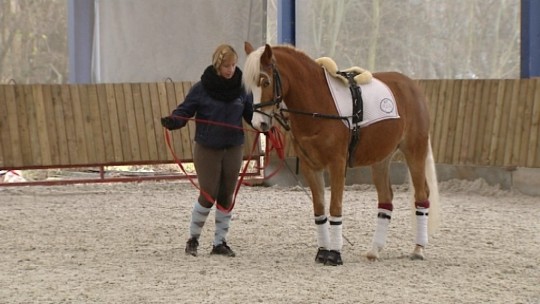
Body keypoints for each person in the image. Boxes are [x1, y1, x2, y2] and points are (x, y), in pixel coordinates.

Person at [161, 44, 253, 257]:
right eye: (226, 66)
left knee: (226, 195)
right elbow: (185, 111)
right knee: (208, 193)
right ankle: (193, 239)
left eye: (233, 65)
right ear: (217, 65)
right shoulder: (201, 88)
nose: (230, 69)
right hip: (207, 147)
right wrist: (174, 121)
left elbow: (250, 114)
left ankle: (219, 242)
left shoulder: (242, 87)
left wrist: (264, 127)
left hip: (233, 146)